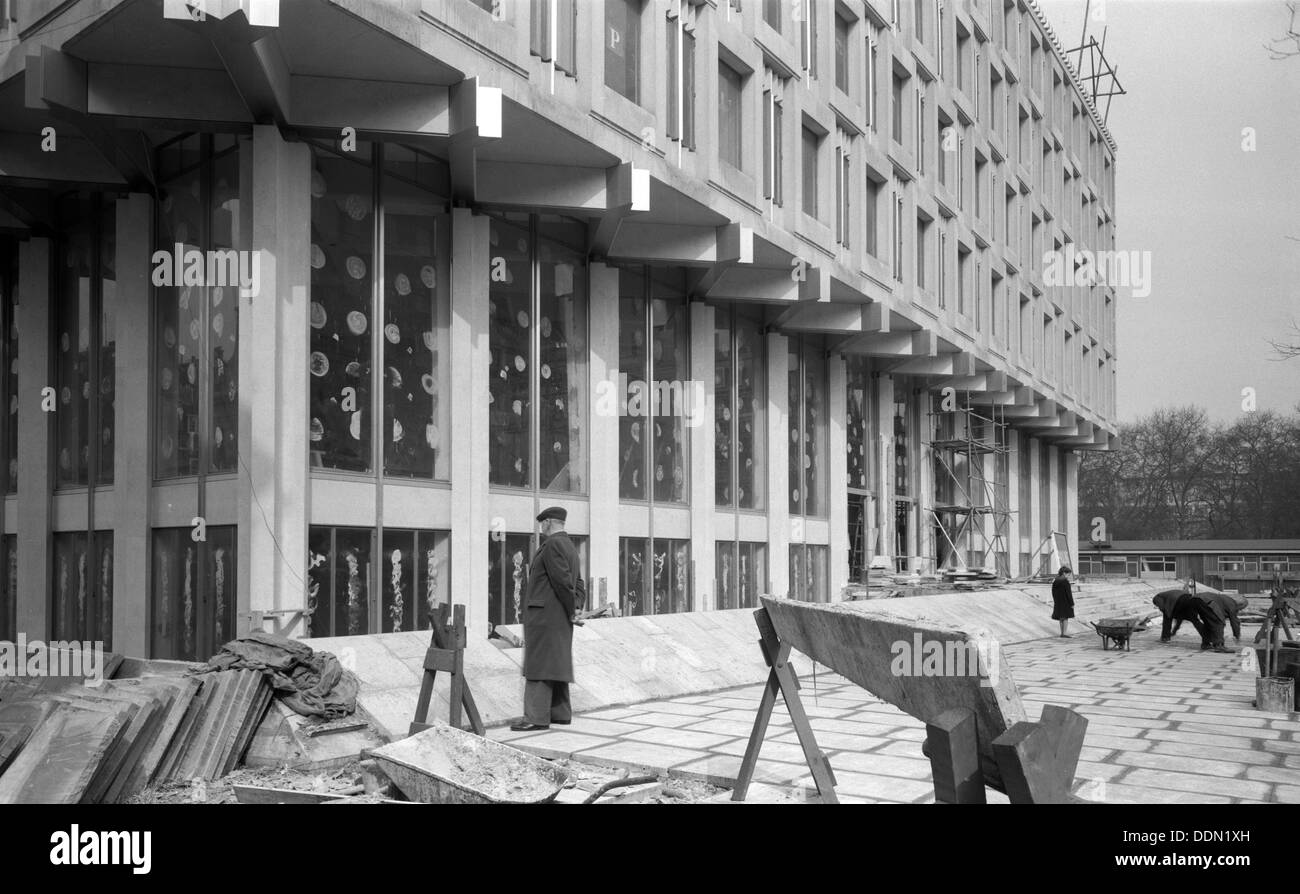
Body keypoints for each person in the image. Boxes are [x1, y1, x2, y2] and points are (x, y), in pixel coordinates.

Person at [511, 506, 585, 732]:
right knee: (556, 663)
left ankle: (536, 717)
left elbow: (562, 582)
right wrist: (577, 607)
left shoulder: (551, 545)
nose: (541, 527)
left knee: (539, 665)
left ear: (549, 523)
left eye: (543, 523)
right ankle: (560, 713)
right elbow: (578, 583)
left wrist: (573, 609)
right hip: (559, 616)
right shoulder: (570, 546)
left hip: (545, 617)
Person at [1152, 581, 1231, 653]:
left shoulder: (1157, 597)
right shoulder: (1168, 596)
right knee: (1196, 622)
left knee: (1167, 617)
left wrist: (1169, 633)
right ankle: (1206, 643)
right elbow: (1179, 618)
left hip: (1182, 601)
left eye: (1157, 605)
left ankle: (1165, 638)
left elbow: (1166, 612)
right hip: (1191, 600)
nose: (1158, 607)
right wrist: (1175, 630)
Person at [1052, 566, 1074, 637]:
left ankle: (1062, 633)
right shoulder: (1065, 581)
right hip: (1065, 602)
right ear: (1064, 573)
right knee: (1065, 618)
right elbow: (1069, 593)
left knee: (1061, 617)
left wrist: (1055, 600)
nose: (1068, 576)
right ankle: (1064, 633)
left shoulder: (1056, 581)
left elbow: (1053, 592)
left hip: (1058, 601)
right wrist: (1072, 603)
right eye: (1068, 574)